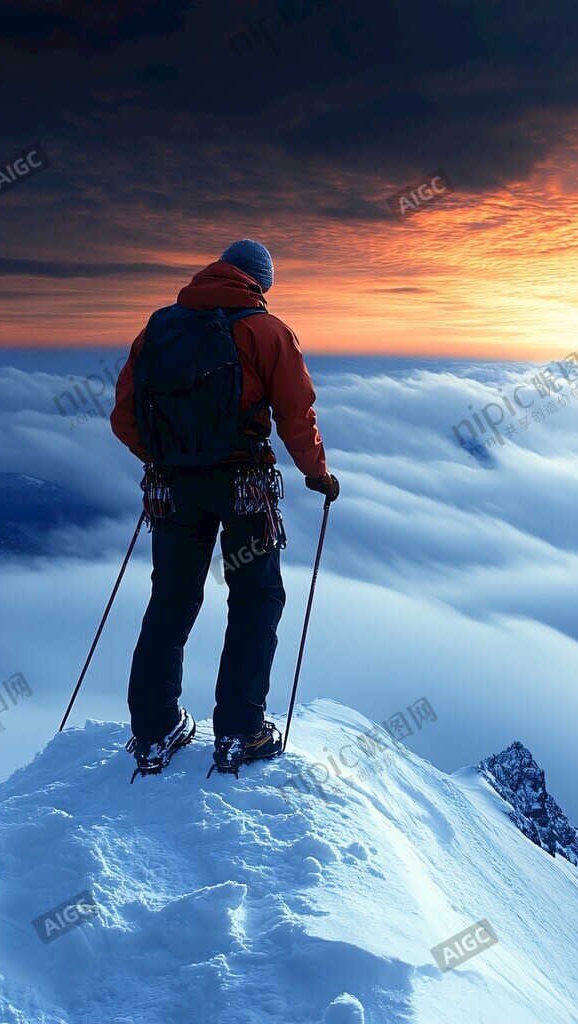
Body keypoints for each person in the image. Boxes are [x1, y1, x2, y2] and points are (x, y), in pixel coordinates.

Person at [110, 239, 339, 780]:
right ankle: (240, 730)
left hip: (171, 490)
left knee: (170, 600)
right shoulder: (265, 330)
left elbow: (124, 417)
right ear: (259, 282)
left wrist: (170, 458)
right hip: (245, 487)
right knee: (255, 599)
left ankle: (155, 728)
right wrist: (317, 474)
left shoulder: (158, 330)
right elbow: (295, 412)